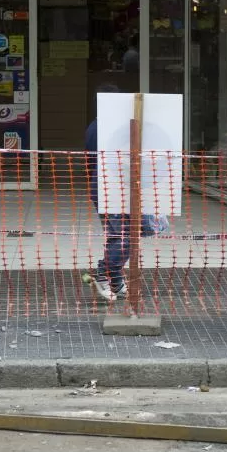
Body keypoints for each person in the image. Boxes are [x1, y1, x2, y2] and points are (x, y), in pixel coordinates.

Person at [84, 83, 128, 303]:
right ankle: (103, 274)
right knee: (126, 237)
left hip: (107, 189)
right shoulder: (104, 128)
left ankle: (116, 281)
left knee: (117, 236)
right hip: (109, 190)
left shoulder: (98, 126)